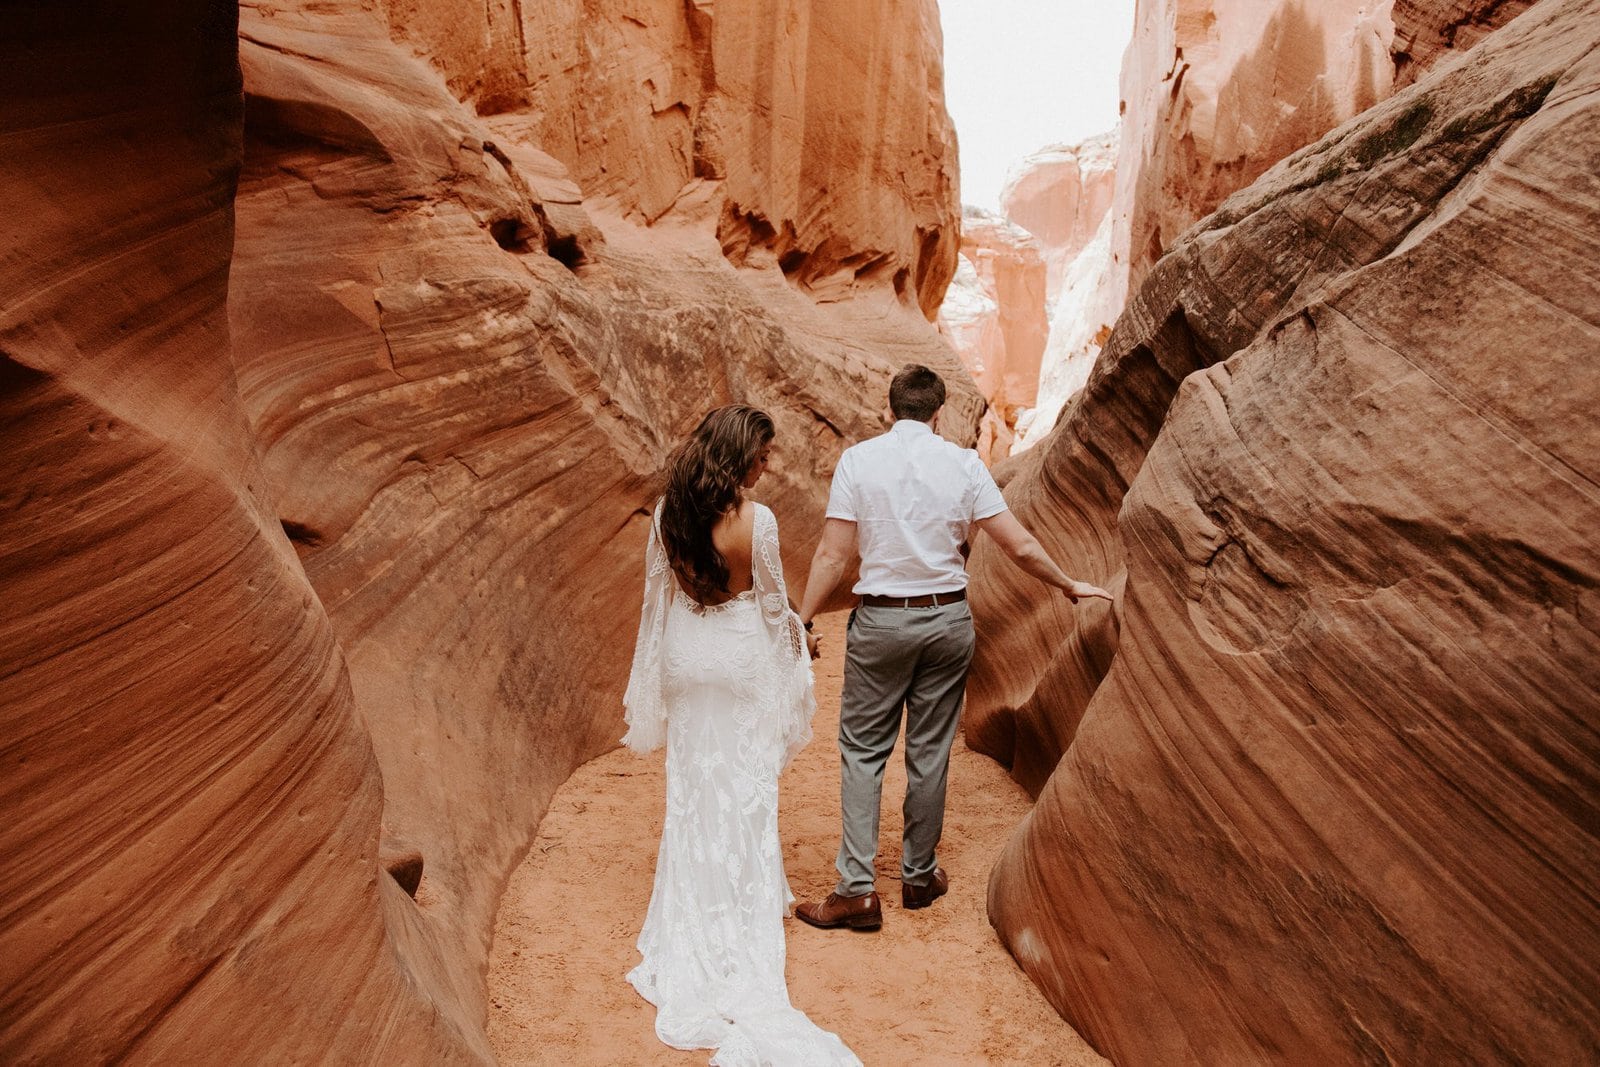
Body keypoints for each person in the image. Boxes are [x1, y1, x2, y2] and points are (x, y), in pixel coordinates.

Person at [793, 365, 1113, 931]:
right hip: (946, 621)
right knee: (930, 750)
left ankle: (857, 891)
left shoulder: (859, 462)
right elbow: (1018, 544)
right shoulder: (965, 465)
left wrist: (802, 618)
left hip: (883, 624)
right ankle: (918, 876)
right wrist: (1067, 584)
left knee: (864, 752)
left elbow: (832, 557)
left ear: (889, 409)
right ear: (939, 412)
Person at [621, 404, 861, 1066]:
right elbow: (769, 601)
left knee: (693, 784)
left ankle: (694, 905)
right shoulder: (757, 521)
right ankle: (740, 909)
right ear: (735, 454)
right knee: (747, 786)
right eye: (761, 454)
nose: (767, 464)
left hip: (685, 653)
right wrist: (799, 640)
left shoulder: (670, 511)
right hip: (735, 654)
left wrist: (656, 675)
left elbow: (656, 599)